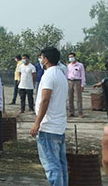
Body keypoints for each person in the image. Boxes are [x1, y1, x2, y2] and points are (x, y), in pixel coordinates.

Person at [30, 47, 69, 186]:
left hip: (48, 127)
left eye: (41, 57)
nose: (40, 60)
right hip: (58, 126)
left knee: (52, 166)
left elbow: (45, 100)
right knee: (60, 165)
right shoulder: (61, 75)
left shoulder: (49, 75)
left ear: (45, 59)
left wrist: (37, 123)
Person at [66, 52, 86, 117]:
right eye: (70, 57)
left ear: (75, 57)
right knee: (70, 97)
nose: (71, 58)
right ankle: (71, 112)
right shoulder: (68, 66)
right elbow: (67, 74)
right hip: (70, 81)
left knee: (78, 98)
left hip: (77, 81)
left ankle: (80, 112)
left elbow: (83, 75)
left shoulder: (80, 65)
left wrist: (82, 84)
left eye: (72, 57)